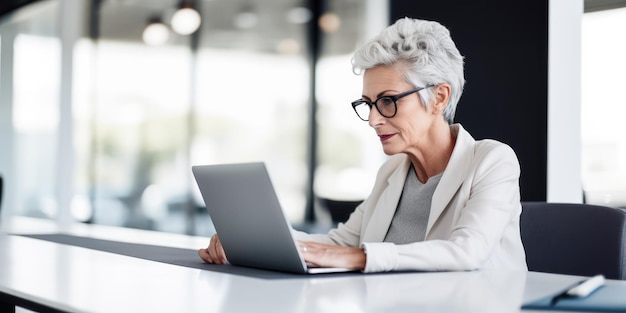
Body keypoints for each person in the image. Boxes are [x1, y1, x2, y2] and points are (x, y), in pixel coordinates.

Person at [198, 17, 527, 273]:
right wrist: (249, 242)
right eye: (368, 104)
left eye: (387, 101)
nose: (373, 120)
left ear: (438, 97)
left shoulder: (491, 160)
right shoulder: (394, 171)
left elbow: (466, 251)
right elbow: (340, 242)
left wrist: (357, 258)